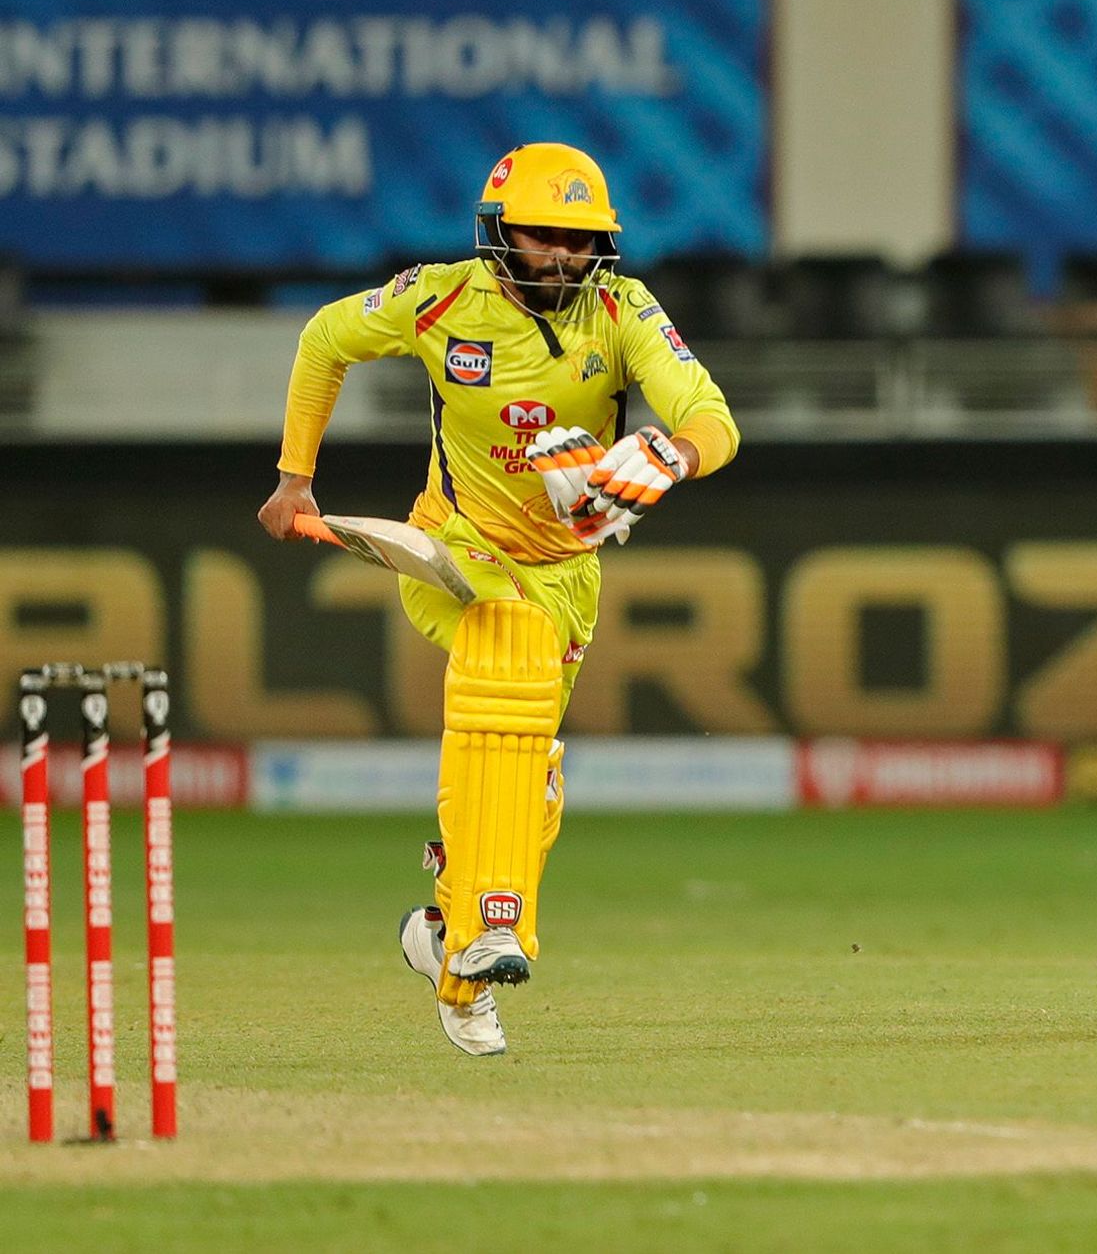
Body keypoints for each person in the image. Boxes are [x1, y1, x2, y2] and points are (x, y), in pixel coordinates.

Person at [256, 142, 739, 1055]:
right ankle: (495, 923)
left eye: (579, 237)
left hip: (567, 569)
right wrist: (295, 477)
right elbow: (325, 338)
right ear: (498, 232)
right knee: (505, 664)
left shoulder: (622, 309)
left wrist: (675, 453)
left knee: (530, 775)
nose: (560, 253)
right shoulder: (439, 299)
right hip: (456, 551)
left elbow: (713, 416)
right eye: (542, 234)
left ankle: (445, 940)